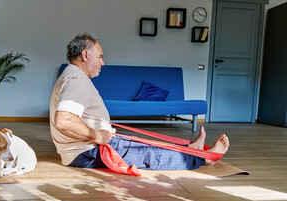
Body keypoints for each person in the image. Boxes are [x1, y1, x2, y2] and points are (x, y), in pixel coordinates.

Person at [50, 33, 229, 170]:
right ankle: (204, 157)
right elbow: (64, 120)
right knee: (150, 154)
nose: (103, 62)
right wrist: (97, 135)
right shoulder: (76, 80)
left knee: (144, 144)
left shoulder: (73, 75)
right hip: (88, 151)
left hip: (88, 148)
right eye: (100, 56)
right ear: (85, 54)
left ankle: (191, 148)